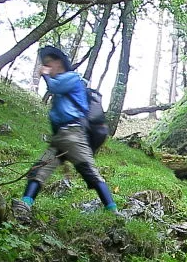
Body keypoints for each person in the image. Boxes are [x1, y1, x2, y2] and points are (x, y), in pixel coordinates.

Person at [13, 46, 116, 220]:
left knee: (89, 172)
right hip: (61, 137)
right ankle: (25, 204)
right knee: (39, 170)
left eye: (48, 64)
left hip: (74, 135)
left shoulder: (72, 78)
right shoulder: (64, 83)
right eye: (44, 64)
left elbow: (54, 87)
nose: (46, 67)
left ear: (59, 63)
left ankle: (113, 211)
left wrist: (44, 74)